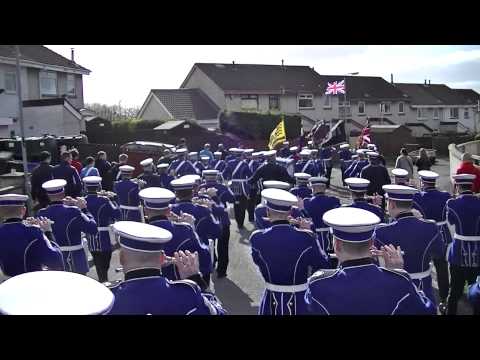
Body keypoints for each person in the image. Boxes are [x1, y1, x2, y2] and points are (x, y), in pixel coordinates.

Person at [304, 207, 436, 315]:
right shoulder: (400, 281)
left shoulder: (318, 284)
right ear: (372, 243)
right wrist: (398, 272)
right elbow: (428, 310)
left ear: (337, 245)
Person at [107, 221, 226, 315]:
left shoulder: (106, 299)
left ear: (121, 258)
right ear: (162, 258)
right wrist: (196, 280)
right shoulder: (188, 294)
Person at [249, 188, 330, 315]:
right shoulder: (306, 237)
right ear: (291, 212)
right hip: (301, 301)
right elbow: (324, 265)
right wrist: (312, 234)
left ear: (268, 212)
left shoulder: (257, 238)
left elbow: (258, 261)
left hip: (270, 301)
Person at [373, 185, 444, 306]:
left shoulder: (381, 231)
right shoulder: (431, 227)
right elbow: (439, 253)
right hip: (424, 287)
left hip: (395, 289)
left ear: (392, 204)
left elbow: (375, 263)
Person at [139, 187, 211, 281]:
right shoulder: (185, 229)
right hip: (182, 288)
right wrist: (192, 227)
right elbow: (204, 256)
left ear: (145, 211)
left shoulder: (138, 234)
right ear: (169, 210)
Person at [37, 179, 98, 275]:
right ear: (63, 193)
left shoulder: (41, 213)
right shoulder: (74, 211)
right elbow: (93, 228)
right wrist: (84, 209)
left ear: (48, 195)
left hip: (54, 262)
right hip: (76, 259)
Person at [412, 170, 452, 314]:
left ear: (423, 182)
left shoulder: (418, 197)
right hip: (442, 233)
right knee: (442, 267)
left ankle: (420, 297)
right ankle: (443, 299)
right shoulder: (445, 196)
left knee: (422, 265)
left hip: (425, 234)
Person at [170, 177, 221, 285]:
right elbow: (217, 232)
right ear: (192, 193)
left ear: (176, 194)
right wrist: (210, 210)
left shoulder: (170, 211)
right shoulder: (203, 210)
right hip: (201, 260)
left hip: (176, 263)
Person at [0, 194, 64, 277]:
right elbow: (56, 261)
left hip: (7, 284)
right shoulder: (34, 232)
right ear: (23, 210)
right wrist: (48, 232)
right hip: (31, 283)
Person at [0, 271, 114, 315]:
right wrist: (48, 232)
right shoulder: (32, 232)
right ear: (22, 215)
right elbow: (54, 257)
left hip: (15, 289)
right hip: (37, 285)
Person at [445, 174, 480, 315]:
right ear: (471, 186)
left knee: (455, 290)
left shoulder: (452, 203)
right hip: (478, 252)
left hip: (458, 252)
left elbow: (451, 222)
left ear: (458, 186)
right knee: (477, 290)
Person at [83, 176, 121, 283]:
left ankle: (102, 279)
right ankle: (104, 279)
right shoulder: (104, 200)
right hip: (104, 234)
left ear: (86, 187)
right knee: (105, 259)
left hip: (90, 235)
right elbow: (117, 214)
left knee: (97, 258)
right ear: (99, 186)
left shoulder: (83, 201)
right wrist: (113, 199)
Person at [199, 170, 235, 278]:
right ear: (216, 177)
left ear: (205, 177)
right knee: (223, 247)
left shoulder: (200, 188)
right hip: (222, 220)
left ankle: (212, 261)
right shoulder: (222, 187)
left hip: (206, 221)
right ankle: (221, 271)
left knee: (209, 244)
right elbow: (232, 199)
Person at [303, 176, 340, 262]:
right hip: (331, 236)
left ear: (313, 187)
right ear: (324, 188)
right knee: (333, 259)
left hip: (315, 235)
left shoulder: (307, 202)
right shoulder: (334, 200)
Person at [222, 148, 252, 230]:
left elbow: (224, 174)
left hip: (234, 185)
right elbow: (250, 175)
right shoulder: (245, 164)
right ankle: (241, 223)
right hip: (243, 186)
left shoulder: (230, 163)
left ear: (235, 155)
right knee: (243, 204)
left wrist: (227, 182)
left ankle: (238, 221)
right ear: (242, 155)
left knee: (236, 204)